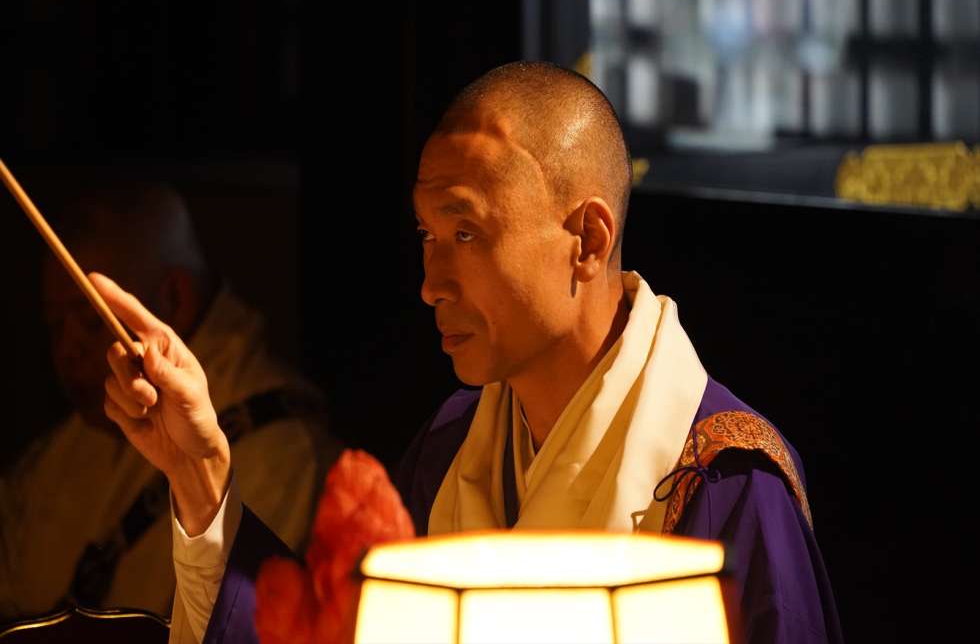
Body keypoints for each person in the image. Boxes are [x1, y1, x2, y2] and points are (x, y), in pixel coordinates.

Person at [93, 63, 843, 643]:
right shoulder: (452, 447)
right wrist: (200, 473)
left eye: (465, 233)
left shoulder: (724, 479)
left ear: (587, 240)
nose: (430, 284)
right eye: (426, 235)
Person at [0, 183, 339, 621]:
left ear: (174, 298)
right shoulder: (59, 452)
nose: (67, 351)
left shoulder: (283, 454)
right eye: (54, 325)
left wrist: (198, 478)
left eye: (89, 321)